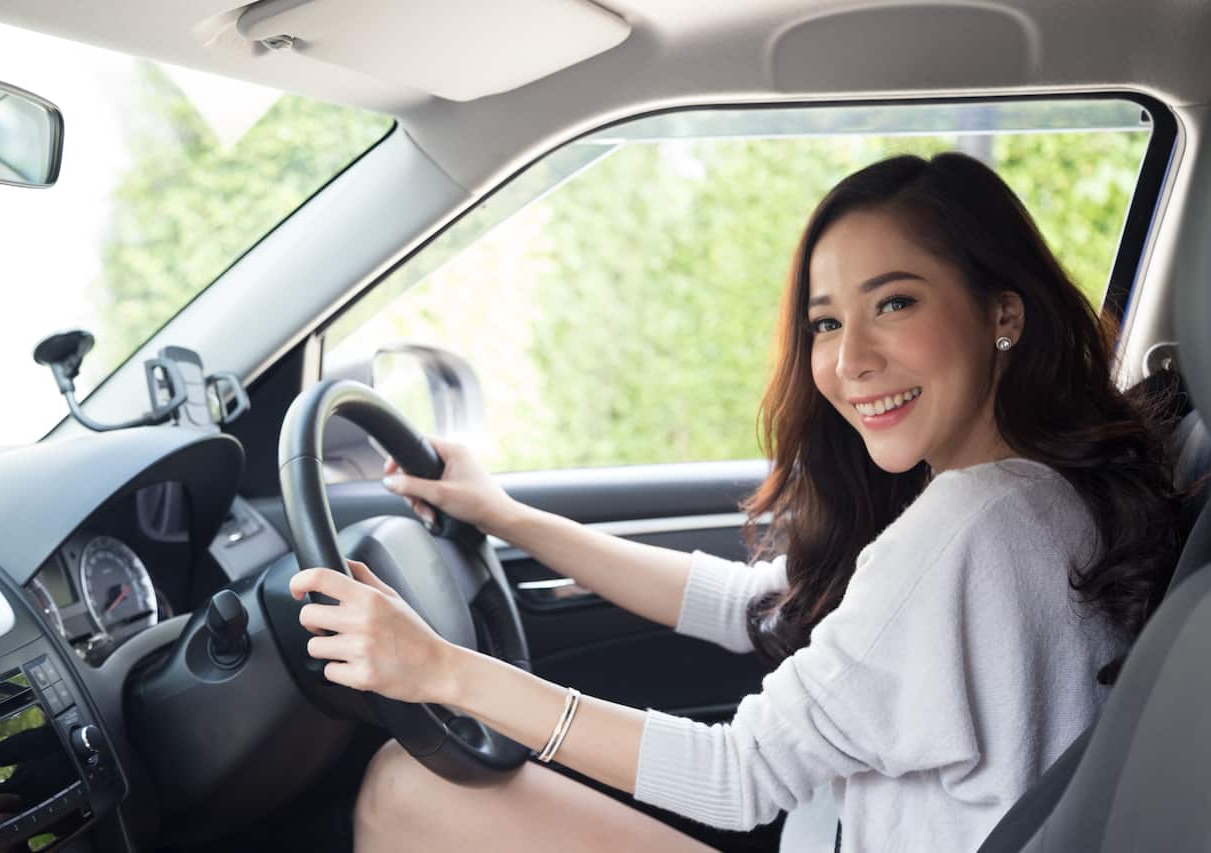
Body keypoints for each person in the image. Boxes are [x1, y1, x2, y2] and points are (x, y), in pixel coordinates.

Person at [289, 152, 1181, 852]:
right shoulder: (1042, 497)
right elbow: (760, 605)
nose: (848, 359)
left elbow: (736, 773)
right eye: (827, 322)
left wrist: (441, 670)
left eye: (895, 303)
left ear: (1003, 315)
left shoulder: (975, 525)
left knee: (408, 792)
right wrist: (508, 515)